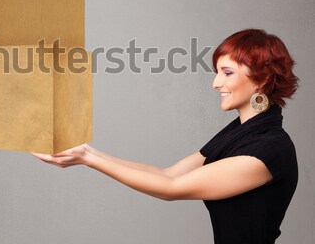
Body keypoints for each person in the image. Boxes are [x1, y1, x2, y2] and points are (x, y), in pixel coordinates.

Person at [31, 28, 300, 244]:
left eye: (227, 73)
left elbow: (171, 189)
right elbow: (169, 174)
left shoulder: (269, 149)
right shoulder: (239, 133)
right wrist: (86, 151)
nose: (215, 83)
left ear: (262, 79)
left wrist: (88, 158)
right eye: (217, 72)